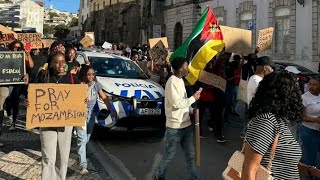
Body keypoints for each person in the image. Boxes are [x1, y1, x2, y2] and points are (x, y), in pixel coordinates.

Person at [241, 71, 303, 180]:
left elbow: (281, 160)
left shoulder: (278, 120)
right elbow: (249, 169)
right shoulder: (266, 120)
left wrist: (309, 170)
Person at [30, 52, 81, 180]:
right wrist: (29, 102)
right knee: (48, 157)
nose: (61, 64)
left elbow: (81, 97)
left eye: (63, 61)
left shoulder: (73, 79)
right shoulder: (44, 77)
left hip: (66, 124)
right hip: (47, 123)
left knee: (63, 157)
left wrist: (82, 101)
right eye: (57, 62)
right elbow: (33, 95)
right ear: (51, 64)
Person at [154, 57, 201, 180]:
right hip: (174, 128)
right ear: (180, 68)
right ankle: (159, 176)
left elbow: (183, 103)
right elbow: (177, 104)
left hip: (186, 126)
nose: (188, 69)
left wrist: (192, 110)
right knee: (169, 155)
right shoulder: (171, 82)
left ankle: (194, 178)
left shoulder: (180, 80)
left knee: (191, 156)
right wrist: (193, 99)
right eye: (186, 66)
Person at [76, 65, 117, 174]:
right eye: (89, 74)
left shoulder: (96, 85)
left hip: (91, 115)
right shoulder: (79, 85)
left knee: (87, 137)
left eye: (93, 74)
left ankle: (81, 154)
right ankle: (83, 165)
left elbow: (104, 97)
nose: (91, 76)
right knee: (81, 139)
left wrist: (111, 110)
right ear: (84, 75)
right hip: (81, 114)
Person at [6, 40, 34, 130]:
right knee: (9, 100)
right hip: (9, 81)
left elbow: (31, 65)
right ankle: (10, 117)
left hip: (21, 81)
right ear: (11, 48)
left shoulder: (23, 56)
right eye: (16, 47)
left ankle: (14, 122)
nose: (18, 49)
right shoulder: (7, 56)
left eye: (19, 47)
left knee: (19, 101)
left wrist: (28, 54)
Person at [298, 77, 320, 180]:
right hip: (308, 132)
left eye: (315, 84)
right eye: (310, 84)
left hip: (318, 132)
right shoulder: (304, 98)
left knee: (318, 160)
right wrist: (315, 120)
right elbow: (300, 116)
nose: (311, 87)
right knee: (308, 161)